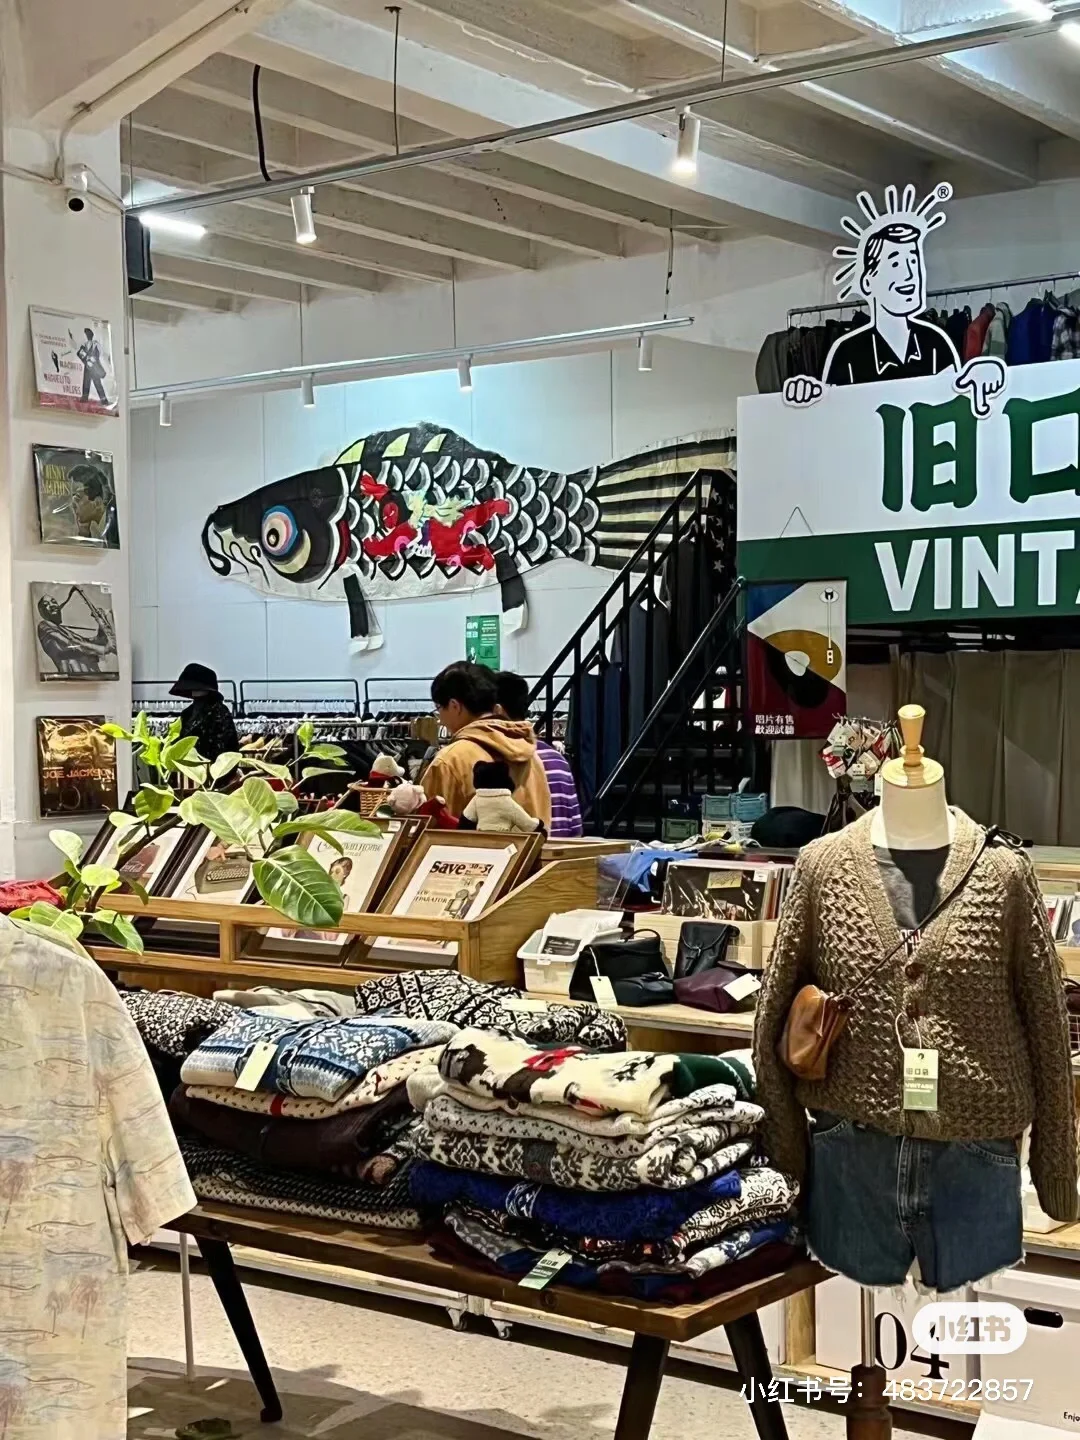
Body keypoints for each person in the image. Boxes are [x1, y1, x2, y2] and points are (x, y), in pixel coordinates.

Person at [425, 661, 551, 829]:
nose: (440, 719)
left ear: (455, 706)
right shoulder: (530, 755)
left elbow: (427, 828)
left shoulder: (450, 760)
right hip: (531, 847)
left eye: (439, 708)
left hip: (471, 848)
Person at [495, 670, 583, 838]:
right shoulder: (558, 760)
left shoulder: (495, 761)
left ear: (496, 710)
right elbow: (576, 830)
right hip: (561, 851)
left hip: (520, 853)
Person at [171, 663, 239, 762]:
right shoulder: (187, 713)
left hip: (214, 765)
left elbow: (225, 747)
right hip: (188, 766)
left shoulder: (219, 712)